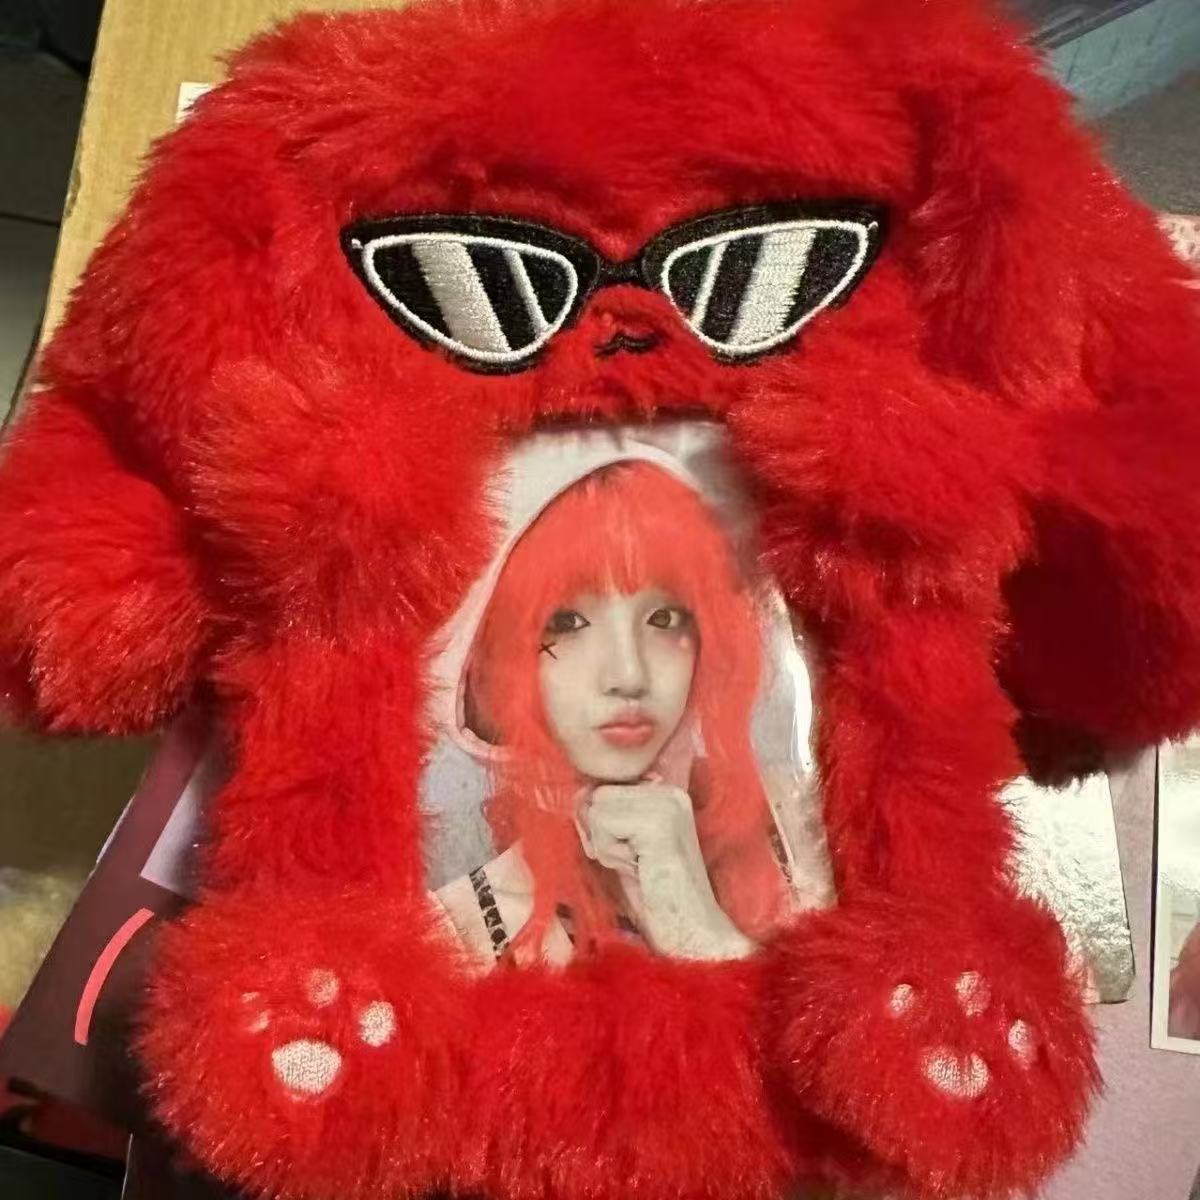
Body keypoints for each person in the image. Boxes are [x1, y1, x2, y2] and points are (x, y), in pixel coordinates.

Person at [432, 460, 815, 968]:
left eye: (665, 617)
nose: (629, 675)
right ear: (501, 652)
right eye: (566, 622)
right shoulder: (453, 941)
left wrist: (699, 930)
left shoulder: (812, 830)